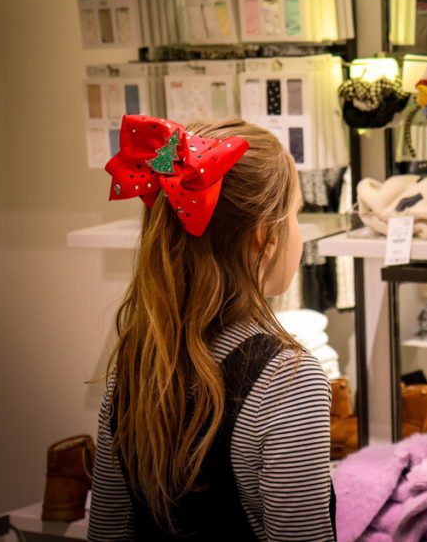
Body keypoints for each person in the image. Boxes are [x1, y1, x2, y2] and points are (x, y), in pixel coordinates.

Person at [88, 116, 334, 541]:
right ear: (264, 237)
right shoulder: (288, 383)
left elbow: (107, 533)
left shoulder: (134, 369)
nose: (299, 230)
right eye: (296, 214)